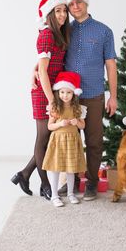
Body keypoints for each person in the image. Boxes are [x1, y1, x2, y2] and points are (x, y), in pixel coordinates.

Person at [58, 0, 117, 200]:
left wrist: (113, 96)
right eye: (71, 4)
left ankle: (92, 182)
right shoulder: (66, 30)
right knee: (70, 139)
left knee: (94, 141)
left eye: (78, 2)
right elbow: (52, 55)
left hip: (94, 95)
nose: (75, 6)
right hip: (69, 97)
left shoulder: (103, 31)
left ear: (86, 3)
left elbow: (111, 65)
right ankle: (71, 182)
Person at [11, 0, 70, 200]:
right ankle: (45, 185)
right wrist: (51, 100)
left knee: (48, 137)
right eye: (58, 11)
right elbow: (43, 72)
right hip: (44, 93)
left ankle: (24, 174)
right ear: (49, 14)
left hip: (53, 91)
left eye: (64, 10)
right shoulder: (46, 35)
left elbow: (46, 66)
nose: (62, 15)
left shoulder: (59, 34)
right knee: (43, 138)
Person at [42, 71, 86, 207]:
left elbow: (82, 125)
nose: (65, 95)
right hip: (58, 141)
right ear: (58, 92)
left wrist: (76, 123)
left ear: (74, 94)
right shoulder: (55, 108)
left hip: (72, 140)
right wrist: (60, 124)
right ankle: (55, 195)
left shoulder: (77, 108)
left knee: (70, 169)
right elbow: (50, 126)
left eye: (68, 92)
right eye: (62, 92)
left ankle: (70, 193)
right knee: (55, 168)